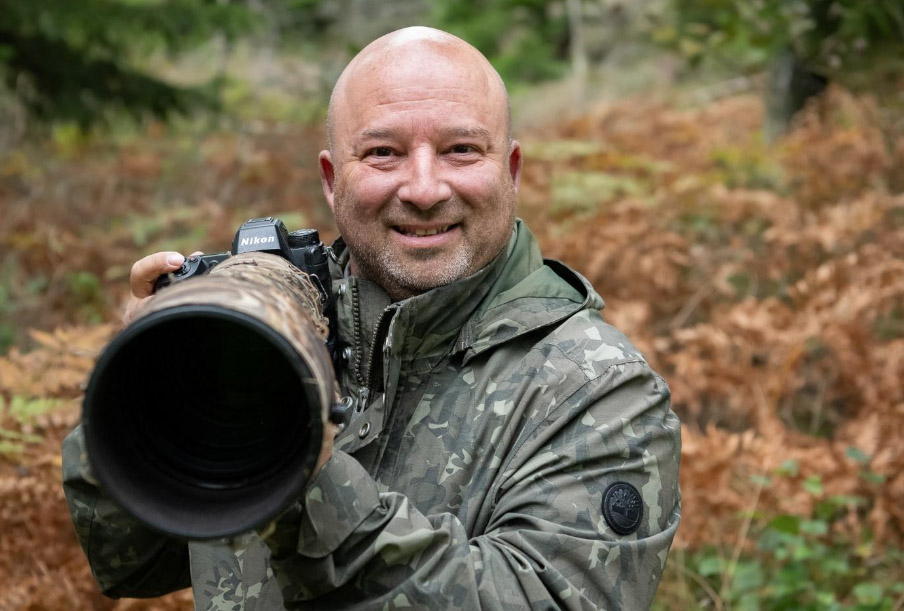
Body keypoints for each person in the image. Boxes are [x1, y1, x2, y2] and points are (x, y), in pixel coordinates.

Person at [63, 26, 681, 610]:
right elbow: (128, 561)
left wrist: (291, 457)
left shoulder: (597, 388)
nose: (423, 187)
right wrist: (151, 380)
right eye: (383, 153)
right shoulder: (256, 335)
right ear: (333, 181)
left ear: (511, 171)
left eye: (461, 150)